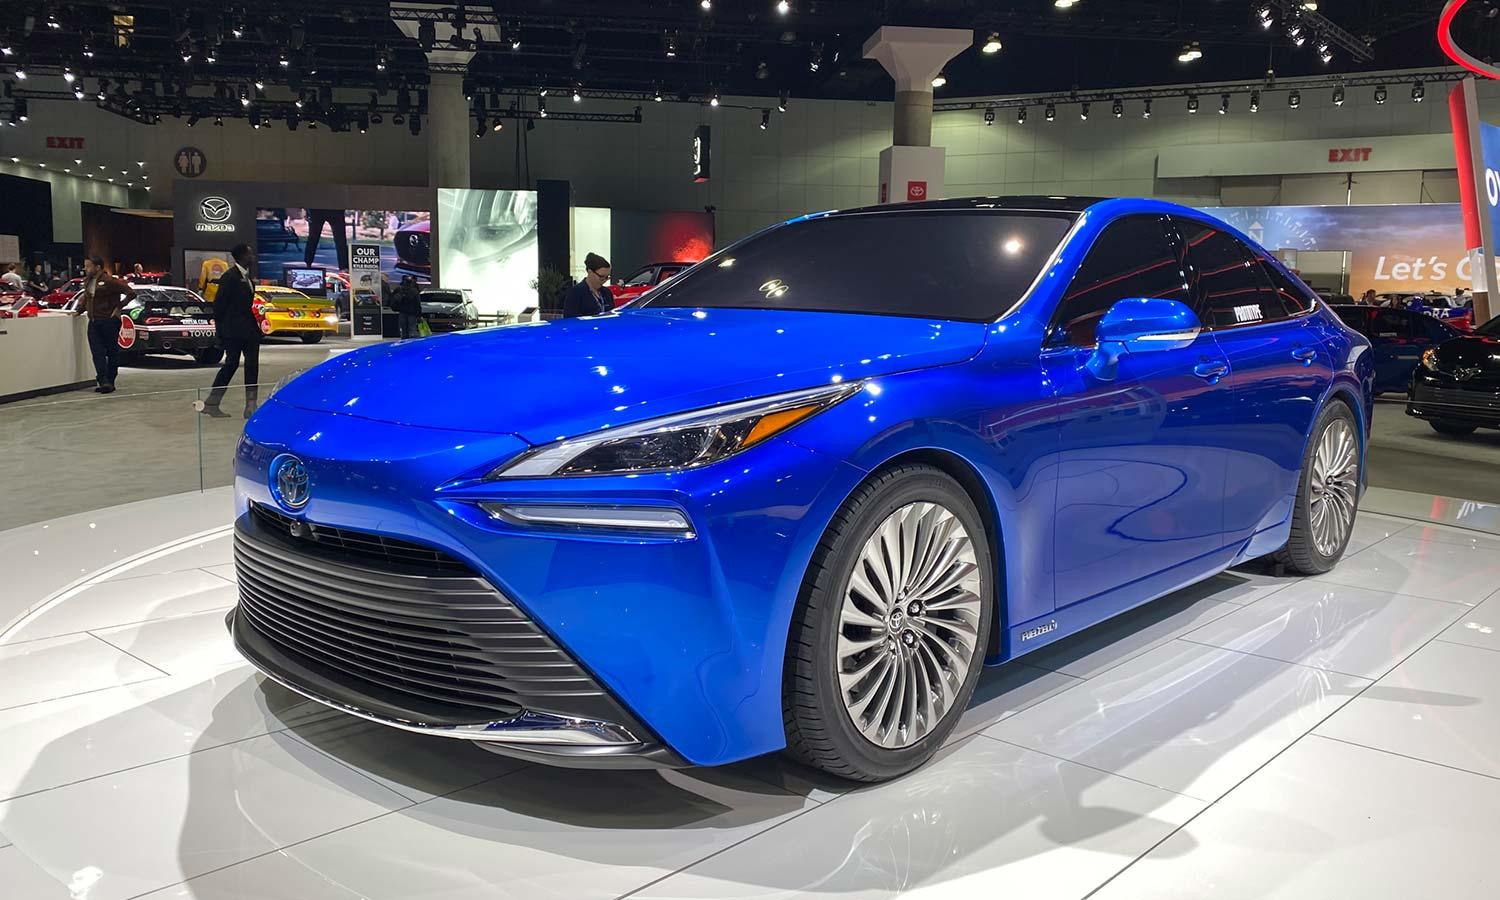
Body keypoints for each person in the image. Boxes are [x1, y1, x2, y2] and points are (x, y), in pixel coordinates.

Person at [200, 243, 262, 418]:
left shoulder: (247, 277)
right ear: (242, 256)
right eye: (250, 254)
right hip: (234, 332)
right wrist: (221, 333)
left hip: (248, 331)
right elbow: (219, 307)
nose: (253, 257)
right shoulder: (230, 277)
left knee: (251, 367)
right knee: (231, 365)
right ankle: (212, 403)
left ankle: (251, 406)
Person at [73, 256, 136, 394]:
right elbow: (87, 298)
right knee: (97, 353)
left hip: (109, 321)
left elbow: (131, 293)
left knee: (112, 351)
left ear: (98, 267)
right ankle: (103, 381)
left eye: (88, 266)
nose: (85, 269)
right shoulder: (88, 282)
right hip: (94, 321)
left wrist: (119, 307)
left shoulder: (110, 281)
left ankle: (110, 380)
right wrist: (79, 311)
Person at [561, 252, 612, 318]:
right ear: (590, 272)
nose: (604, 280)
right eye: (601, 277)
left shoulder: (607, 292)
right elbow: (570, 320)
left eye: (607, 277)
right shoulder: (575, 293)